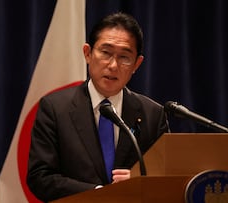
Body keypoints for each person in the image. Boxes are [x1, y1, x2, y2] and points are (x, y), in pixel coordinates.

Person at [26, 12, 170, 202]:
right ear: (88, 53)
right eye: (106, 52)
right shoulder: (54, 108)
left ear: (137, 64)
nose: (113, 65)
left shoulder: (152, 114)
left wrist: (141, 181)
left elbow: (167, 177)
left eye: (124, 57)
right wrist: (99, 193)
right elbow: (40, 177)